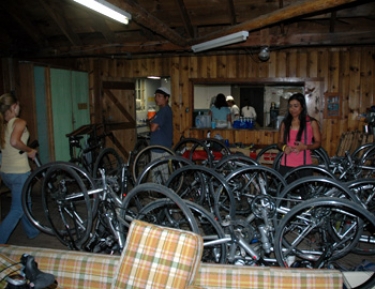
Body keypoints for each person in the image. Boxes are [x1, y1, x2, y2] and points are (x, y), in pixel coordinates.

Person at [0, 92, 39, 244]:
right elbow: (15, 142)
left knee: (25, 202)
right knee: (18, 209)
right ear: (14, 106)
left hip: (6, 172)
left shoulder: (3, 125)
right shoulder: (19, 122)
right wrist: (29, 150)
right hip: (19, 173)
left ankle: (32, 231)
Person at [277, 93, 321, 177]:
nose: (292, 109)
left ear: (302, 106)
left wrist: (305, 147)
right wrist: (284, 147)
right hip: (286, 164)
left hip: (304, 165)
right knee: (285, 190)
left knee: (304, 190)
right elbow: (279, 142)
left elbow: (318, 143)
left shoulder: (311, 123)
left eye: (296, 106)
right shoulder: (285, 123)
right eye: (290, 106)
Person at [149, 87, 173, 183]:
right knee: (163, 172)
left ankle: (160, 194)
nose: (157, 98)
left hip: (159, 148)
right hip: (164, 146)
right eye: (156, 96)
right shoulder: (166, 110)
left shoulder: (163, 111)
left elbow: (153, 128)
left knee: (158, 173)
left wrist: (150, 122)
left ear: (166, 98)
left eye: (160, 96)